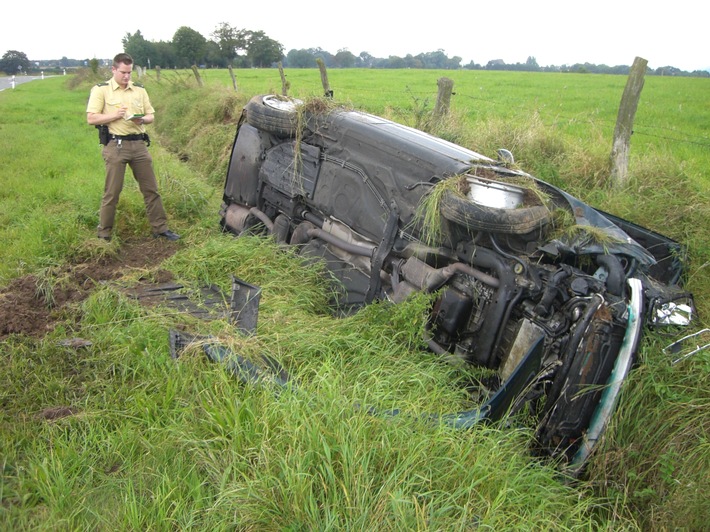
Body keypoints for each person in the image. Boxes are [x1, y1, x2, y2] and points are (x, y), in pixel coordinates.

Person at [86, 53, 179, 242]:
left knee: (151, 189)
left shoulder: (139, 91)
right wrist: (115, 115)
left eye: (129, 72)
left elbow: (151, 116)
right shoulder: (101, 90)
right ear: (113, 70)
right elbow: (91, 118)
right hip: (115, 145)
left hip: (138, 144)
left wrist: (141, 119)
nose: (127, 76)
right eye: (123, 72)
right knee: (112, 192)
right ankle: (104, 234)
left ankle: (160, 229)